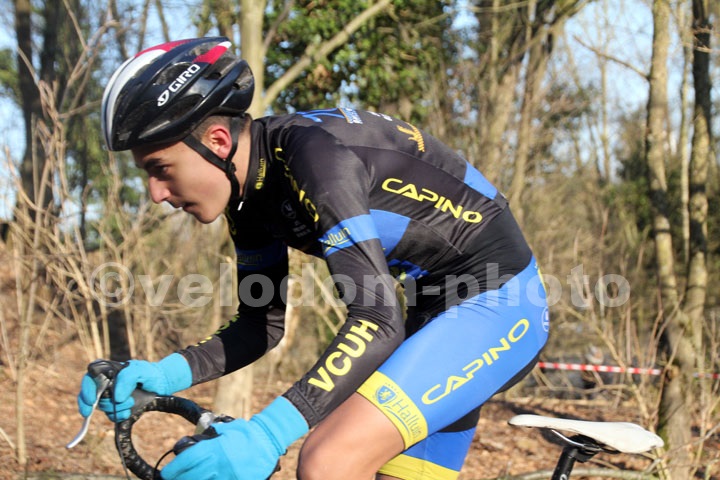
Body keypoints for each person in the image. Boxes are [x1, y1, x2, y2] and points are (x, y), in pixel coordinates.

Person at [78, 36, 550, 480]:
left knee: (328, 460)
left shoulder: (315, 160)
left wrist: (268, 433)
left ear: (218, 142)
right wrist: (163, 375)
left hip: (500, 305)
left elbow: (377, 319)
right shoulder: (249, 196)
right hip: (432, 315)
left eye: (160, 169)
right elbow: (260, 324)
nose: (156, 194)